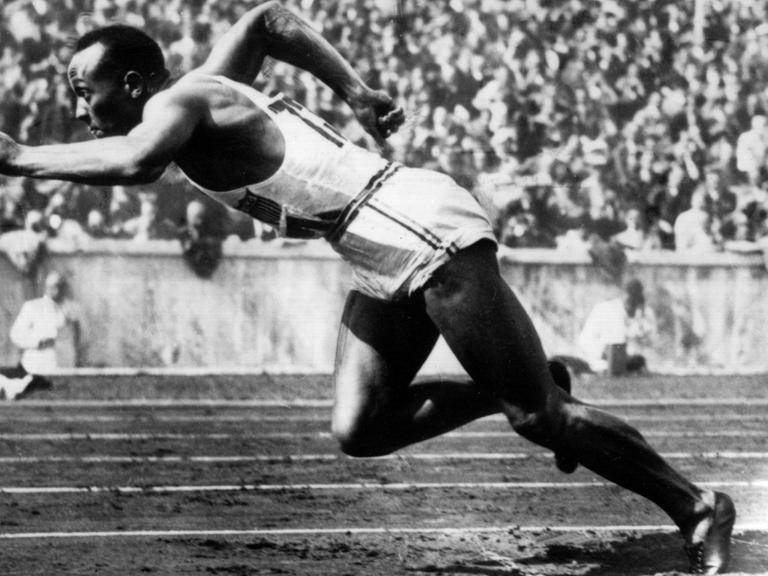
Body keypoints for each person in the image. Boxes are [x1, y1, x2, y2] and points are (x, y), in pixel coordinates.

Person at [0, 4, 734, 573]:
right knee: (361, 426)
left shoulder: (172, 107)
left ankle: (697, 504)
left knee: (541, 419)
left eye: (82, 91)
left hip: (415, 228)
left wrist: (22, 158)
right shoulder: (196, 93)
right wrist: (353, 89)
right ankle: (515, 385)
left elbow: (134, 164)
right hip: (371, 243)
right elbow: (267, 21)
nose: (77, 110)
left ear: (131, 84)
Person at [9, 270, 80, 375]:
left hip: (65, 367)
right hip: (37, 366)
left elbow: (79, 337)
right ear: (45, 287)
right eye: (50, 286)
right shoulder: (32, 307)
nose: (54, 290)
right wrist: (38, 342)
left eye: (58, 286)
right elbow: (15, 335)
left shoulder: (72, 309)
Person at [577, 279, 652, 375]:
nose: (632, 304)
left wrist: (640, 319)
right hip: (599, 364)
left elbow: (647, 344)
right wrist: (604, 352)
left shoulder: (643, 314)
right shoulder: (605, 310)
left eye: (636, 301)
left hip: (630, 366)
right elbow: (584, 340)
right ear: (623, 295)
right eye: (630, 300)